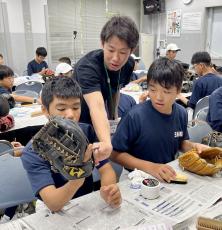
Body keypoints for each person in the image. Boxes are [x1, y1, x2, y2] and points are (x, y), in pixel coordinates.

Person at [21, 76, 121, 212]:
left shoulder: (86, 131)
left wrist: (108, 190)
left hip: (86, 203)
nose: (70, 115)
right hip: (54, 209)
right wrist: (80, 173)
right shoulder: (34, 150)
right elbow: (53, 204)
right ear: (45, 110)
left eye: (75, 107)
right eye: (61, 109)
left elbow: (106, 169)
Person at [111, 58, 209, 182]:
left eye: (166, 91)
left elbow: (180, 142)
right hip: (136, 177)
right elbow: (114, 153)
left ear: (178, 91)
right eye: (152, 90)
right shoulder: (134, 116)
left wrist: (194, 146)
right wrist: (150, 167)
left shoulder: (181, 113)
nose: (158, 97)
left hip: (166, 173)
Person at [74, 16, 139, 161]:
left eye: (123, 52)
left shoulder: (128, 64)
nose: (116, 58)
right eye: (111, 50)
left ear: (132, 50)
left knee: (104, 164)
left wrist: (113, 118)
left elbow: (115, 89)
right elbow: (96, 105)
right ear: (102, 43)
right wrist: (106, 141)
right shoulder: (88, 66)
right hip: (78, 118)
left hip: (101, 117)